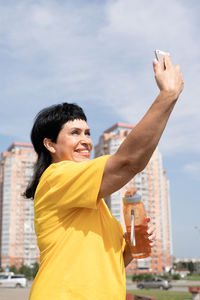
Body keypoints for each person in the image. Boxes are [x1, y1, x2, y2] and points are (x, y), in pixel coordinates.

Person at [25, 54, 183, 300]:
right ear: (51, 144)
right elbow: (128, 163)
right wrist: (168, 95)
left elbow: (112, 262)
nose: (86, 141)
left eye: (88, 133)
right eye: (75, 133)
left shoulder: (95, 205)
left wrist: (132, 247)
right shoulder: (56, 177)